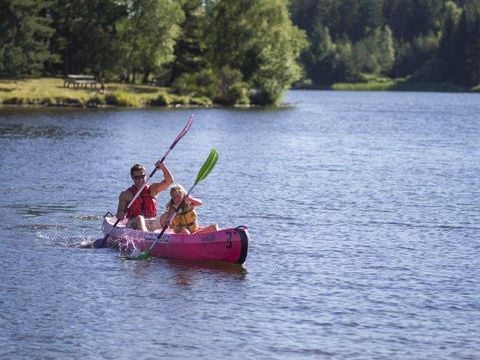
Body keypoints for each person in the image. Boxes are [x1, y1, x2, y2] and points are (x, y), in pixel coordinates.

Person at [116, 161, 173, 232]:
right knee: (140, 218)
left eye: (143, 176)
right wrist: (120, 214)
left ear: (146, 175)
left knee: (169, 214)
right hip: (133, 224)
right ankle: (146, 235)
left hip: (151, 222)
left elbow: (169, 181)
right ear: (132, 178)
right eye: (137, 177)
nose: (140, 179)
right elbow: (119, 213)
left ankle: (177, 234)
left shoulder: (153, 189)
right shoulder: (126, 194)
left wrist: (163, 168)